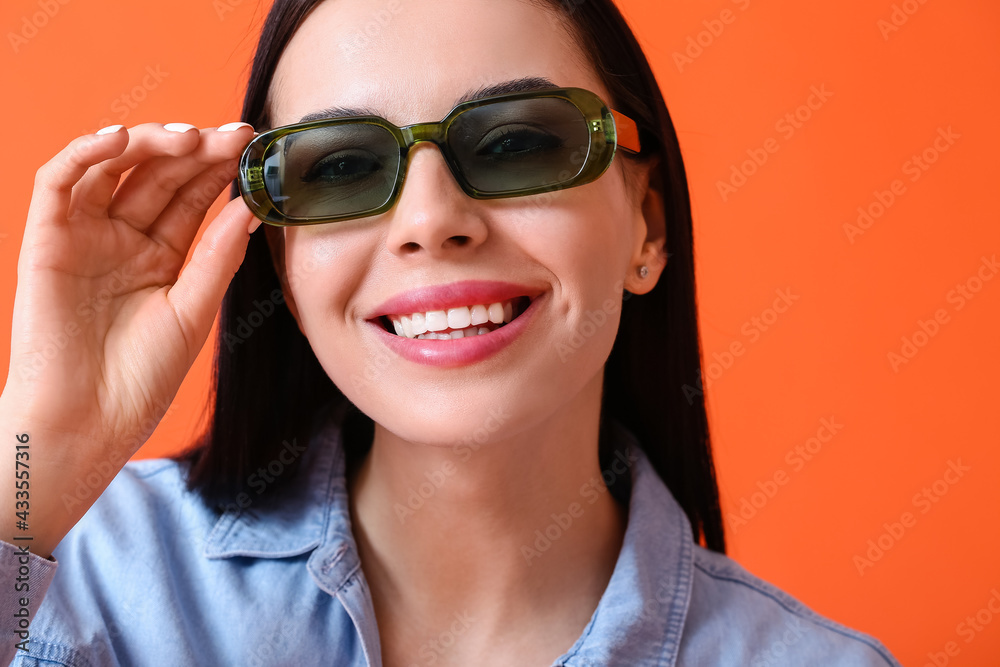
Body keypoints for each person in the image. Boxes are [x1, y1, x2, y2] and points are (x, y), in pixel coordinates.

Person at [0, 0, 904, 665]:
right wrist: (30, 467)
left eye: (518, 143)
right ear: (280, 259)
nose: (431, 219)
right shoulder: (78, 573)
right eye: (342, 165)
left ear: (647, 223)